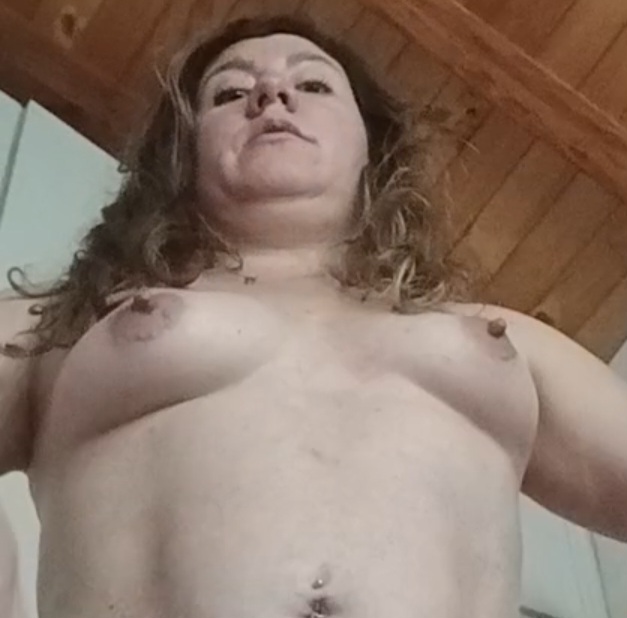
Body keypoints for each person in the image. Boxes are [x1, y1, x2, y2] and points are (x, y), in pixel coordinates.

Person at [0, 13, 626, 618]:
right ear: (182, 152)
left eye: (314, 84)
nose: (272, 94)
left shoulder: (499, 340)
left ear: (371, 143)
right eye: (230, 92)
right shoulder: (73, 323)